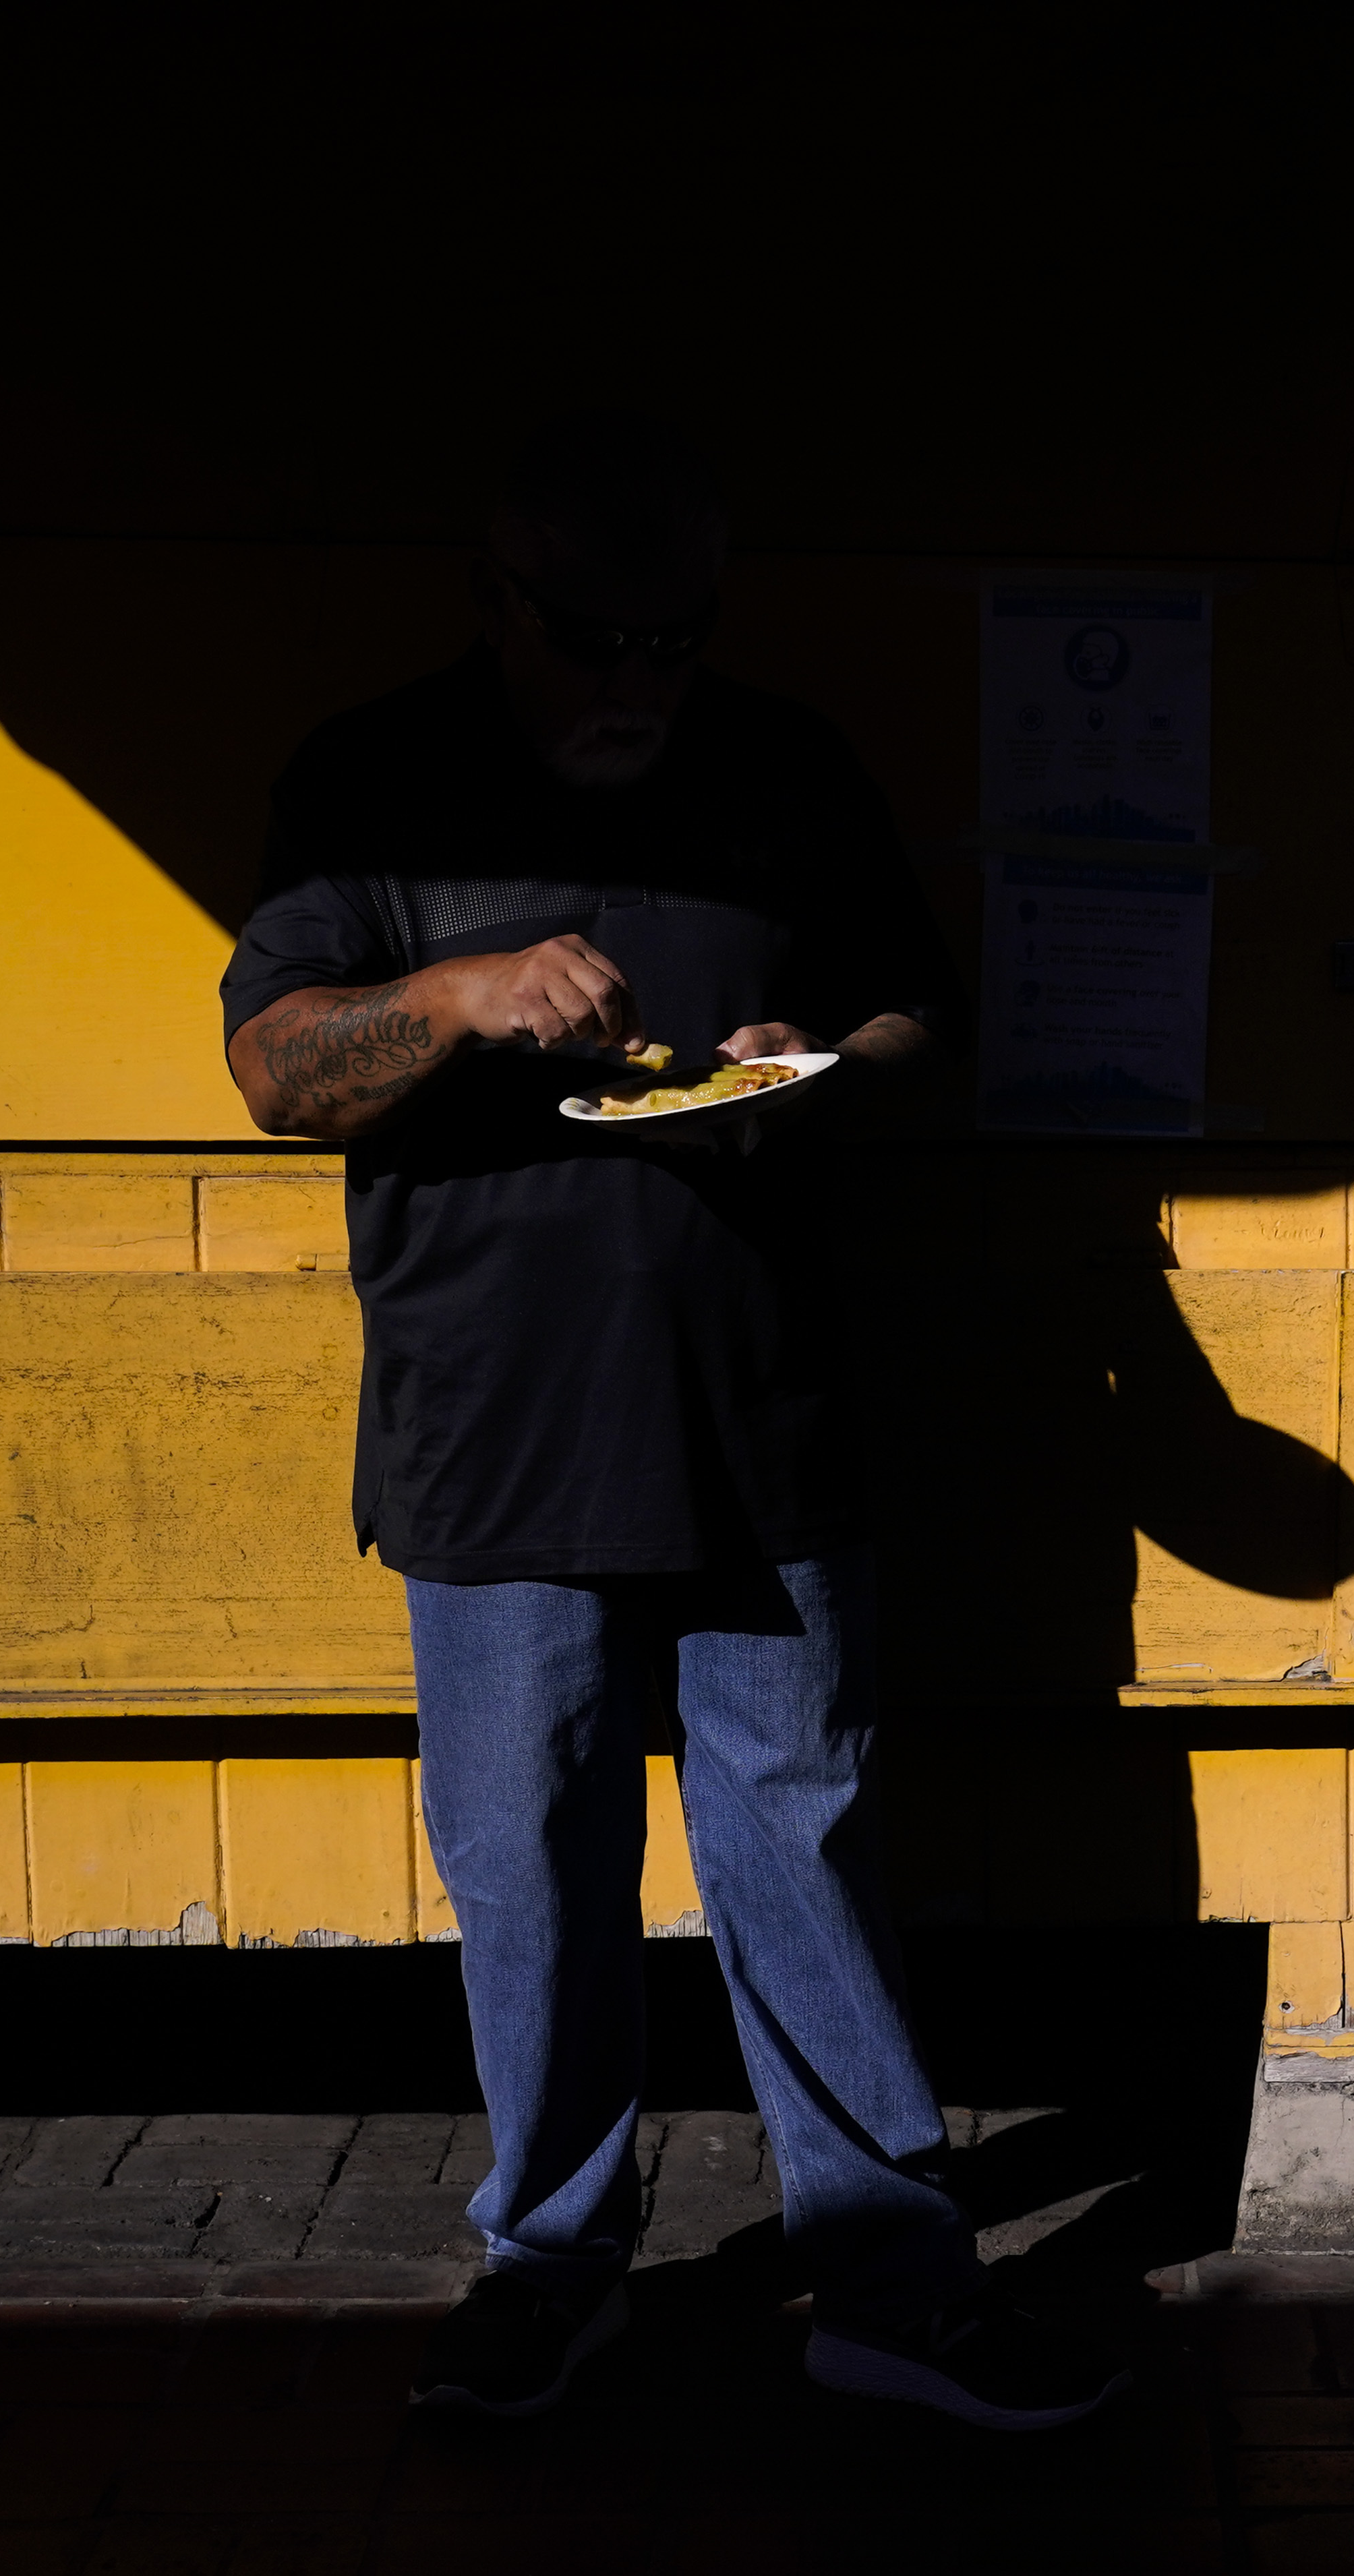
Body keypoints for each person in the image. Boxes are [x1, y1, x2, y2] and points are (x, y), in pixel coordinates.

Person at [219, 410, 1123, 2429]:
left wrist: (827, 1061)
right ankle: (550, 2259)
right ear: (497, 601)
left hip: (764, 1410)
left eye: (675, 643)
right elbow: (276, 1071)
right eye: (596, 640)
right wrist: (452, 1000)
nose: (639, 682)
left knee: (800, 1834)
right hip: (493, 1427)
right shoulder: (371, 783)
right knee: (529, 1853)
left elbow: (917, 1022)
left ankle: (888, 2266)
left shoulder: (786, 767)